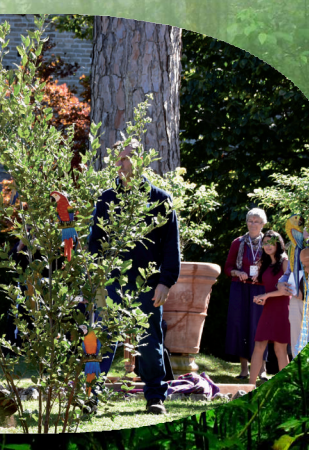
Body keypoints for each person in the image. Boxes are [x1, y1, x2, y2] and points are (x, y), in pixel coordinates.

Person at [88, 139, 181, 415]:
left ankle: (155, 397)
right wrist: (96, 276)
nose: (118, 166)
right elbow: (96, 242)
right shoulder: (106, 198)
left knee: (149, 341)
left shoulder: (161, 199)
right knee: (103, 339)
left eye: (124, 160)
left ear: (140, 161)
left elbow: (170, 246)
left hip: (148, 285)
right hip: (113, 283)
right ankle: (92, 396)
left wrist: (165, 281)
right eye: (117, 160)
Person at [224, 208, 269, 380]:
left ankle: (262, 369)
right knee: (239, 325)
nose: (253, 224)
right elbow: (228, 267)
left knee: (260, 327)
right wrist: (237, 272)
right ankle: (244, 370)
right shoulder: (238, 242)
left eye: (257, 221)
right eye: (250, 220)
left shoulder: (269, 242)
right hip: (240, 288)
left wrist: (262, 273)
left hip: (260, 289)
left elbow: (276, 265)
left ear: (263, 224)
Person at [249, 230, 294, 385]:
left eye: (271, 242)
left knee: (280, 349)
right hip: (268, 308)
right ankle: (249, 386)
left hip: (282, 309)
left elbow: (286, 290)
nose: (267, 246)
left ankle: (285, 386)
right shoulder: (265, 263)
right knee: (258, 345)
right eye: (265, 243)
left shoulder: (285, 262)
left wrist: (266, 296)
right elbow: (269, 287)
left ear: (278, 244)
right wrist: (263, 298)